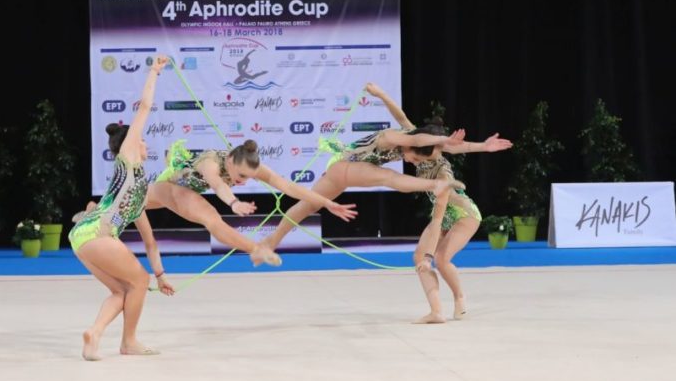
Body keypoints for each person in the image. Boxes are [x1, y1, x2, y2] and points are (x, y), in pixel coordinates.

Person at [363, 82, 512, 323]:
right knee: (418, 258)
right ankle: (436, 312)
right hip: (444, 214)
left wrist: (429, 256)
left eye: (410, 157)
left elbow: (438, 217)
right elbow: (401, 117)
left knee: (440, 260)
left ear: (424, 154)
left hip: (464, 214)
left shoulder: (442, 176)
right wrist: (380, 94)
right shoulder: (419, 143)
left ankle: (459, 296)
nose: (406, 158)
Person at [261, 87, 466, 253]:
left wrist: (480, 146)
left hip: (343, 169)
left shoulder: (410, 135)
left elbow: (403, 117)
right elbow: (417, 140)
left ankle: (272, 240)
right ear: (412, 146)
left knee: (308, 205)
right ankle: (434, 185)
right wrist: (444, 139)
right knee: (388, 177)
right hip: (345, 166)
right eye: (416, 158)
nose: (414, 163)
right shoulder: (392, 137)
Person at [68, 56, 175, 361]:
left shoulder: (136, 195)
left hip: (82, 235)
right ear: (132, 142)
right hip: (99, 231)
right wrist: (154, 72)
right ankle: (128, 342)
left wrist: (161, 275)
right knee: (138, 281)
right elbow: (144, 107)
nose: (146, 145)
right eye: (142, 140)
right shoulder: (128, 158)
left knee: (123, 290)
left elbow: (150, 242)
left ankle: (94, 333)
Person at [141, 138, 359, 265]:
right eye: (242, 176)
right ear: (229, 161)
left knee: (132, 207)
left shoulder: (247, 165)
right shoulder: (210, 163)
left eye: (249, 177)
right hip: (168, 187)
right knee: (211, 218)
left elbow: (289, 187)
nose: (244, 181)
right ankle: (256, 249)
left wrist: (326, 202)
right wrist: (234, 203)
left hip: (181, 193)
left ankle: (256, 249)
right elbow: (218, 185)